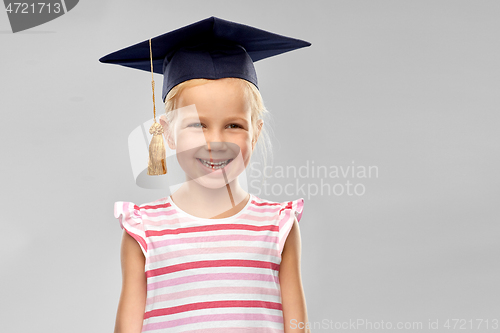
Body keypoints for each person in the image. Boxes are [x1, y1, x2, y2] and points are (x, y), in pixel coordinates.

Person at [100, 16, 311, 333]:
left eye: (234, 125)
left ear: (255, 133)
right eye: (197, 125)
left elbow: (297, 327)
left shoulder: (278, 224)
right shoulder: (143, 229)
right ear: (167, 134)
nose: (215, 143)